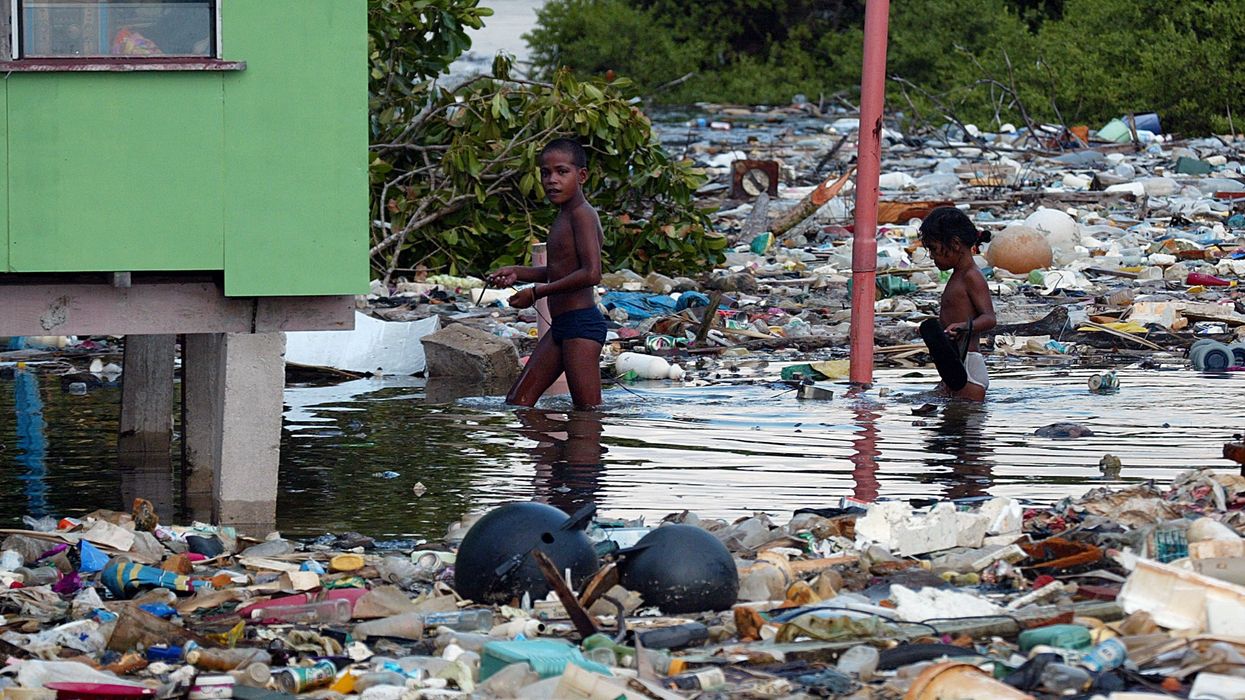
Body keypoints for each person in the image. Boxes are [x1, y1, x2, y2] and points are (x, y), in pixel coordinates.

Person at [490, 139, 605, 409]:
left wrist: (535, 293)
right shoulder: (564, 216)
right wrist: (518, 273)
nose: (552, 180)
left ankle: (575, 451)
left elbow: (591, 274)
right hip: (562, 326)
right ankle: (554, 452)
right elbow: (558, 272)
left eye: (562, 172)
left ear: (582, 176)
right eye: (545, 173)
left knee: (587, 414)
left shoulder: (582, 215)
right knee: (518, 403)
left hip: (581, 326)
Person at [920, 207, 996, 401]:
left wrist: (963, 327)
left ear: (954, 244)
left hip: (967, 367)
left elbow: (989, 318)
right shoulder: (958, 275)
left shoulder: (972, 276)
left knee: (965, 425)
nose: (931, 256)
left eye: (934, 249)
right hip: (955, 365)